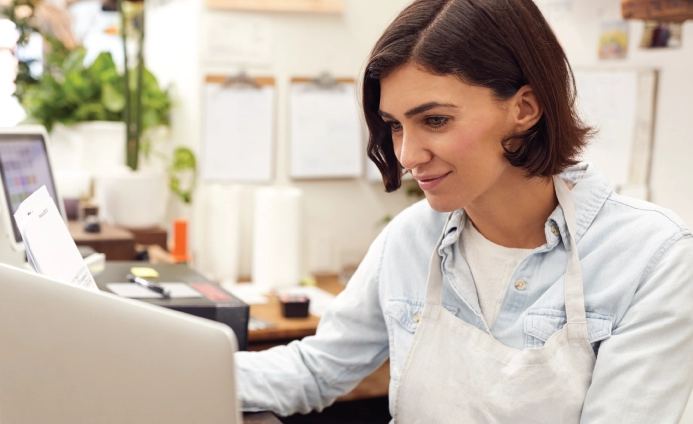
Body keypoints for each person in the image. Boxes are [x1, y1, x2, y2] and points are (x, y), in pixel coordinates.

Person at [234, 0, 693, 422]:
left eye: (435, 120)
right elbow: (316, 369)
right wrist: (178, 368)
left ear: (525, 108)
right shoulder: (412, 237)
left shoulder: (653, 259)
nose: (408, 155)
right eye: (395, 125)